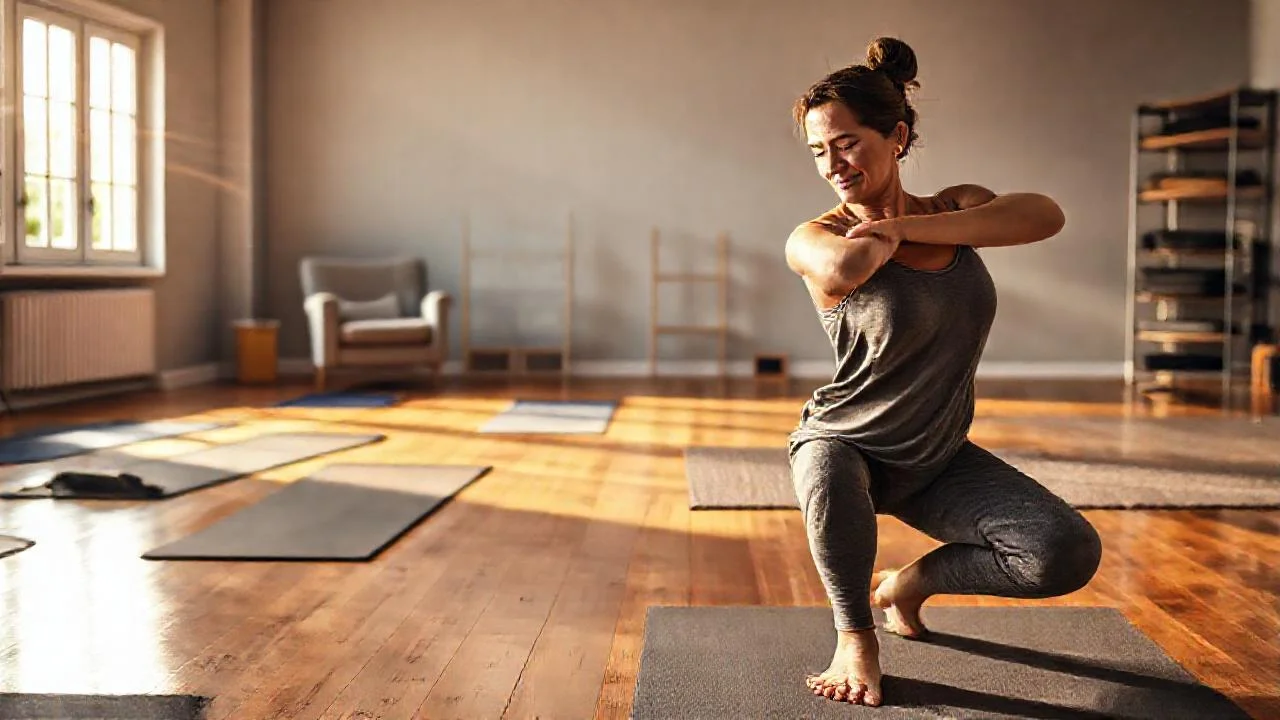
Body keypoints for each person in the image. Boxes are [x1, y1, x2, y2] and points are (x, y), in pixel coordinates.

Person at [784, 36, 1103, 707]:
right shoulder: (816, 235)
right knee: (823, 462)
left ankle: (909, 585)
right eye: (818, 151)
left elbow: (1044, 215)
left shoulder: (956, 207)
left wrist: (906, 226)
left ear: (895, 136)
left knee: (1064, 552)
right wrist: (897, 231)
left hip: (937, 456)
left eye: (846, 142)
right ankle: (855, 636)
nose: (832, 164)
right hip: (850, 444)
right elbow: (846, 269)